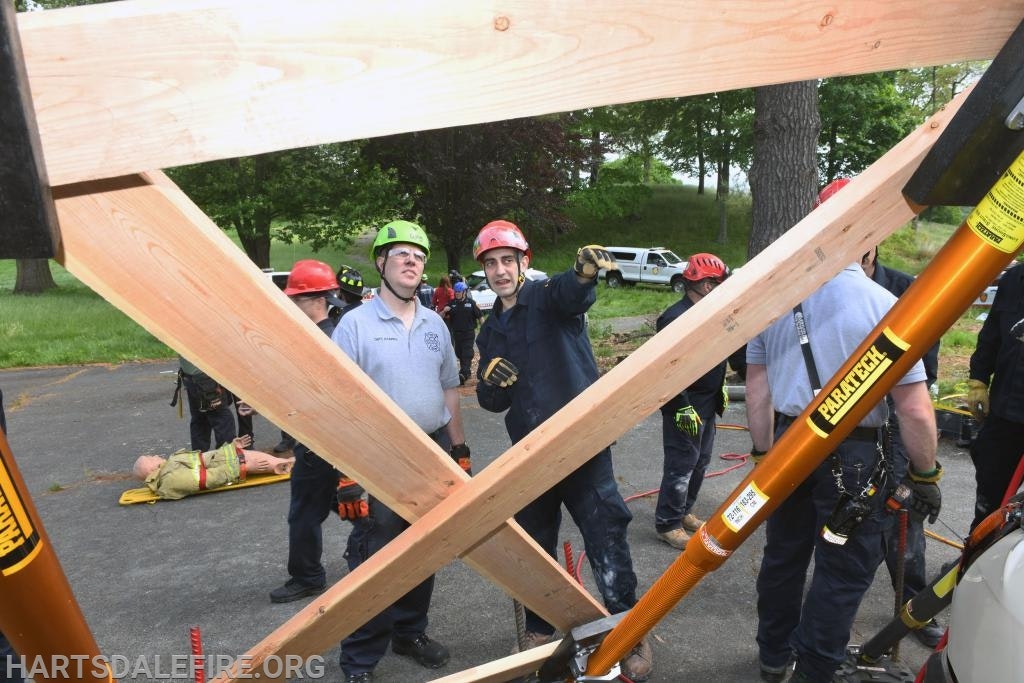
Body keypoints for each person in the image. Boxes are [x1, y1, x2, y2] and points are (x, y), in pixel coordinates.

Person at [472, 219, 652, 682]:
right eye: (491, 264)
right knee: (535, 547)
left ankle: (628, 630)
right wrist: (489, 383)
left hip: (580, 445)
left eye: (507, 261)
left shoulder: (548, 296)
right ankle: (537, 630)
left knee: (606, 534)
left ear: (523, 262)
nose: (499, 271)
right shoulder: (489, 331)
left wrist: (584, 274)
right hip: (530, 455)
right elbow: (492, 403)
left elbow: (574, 296)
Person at [746, 253, 941, 682]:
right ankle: (814, 670)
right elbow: (914, 410)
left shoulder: (777, 306)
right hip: (854, 455)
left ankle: (774, 656)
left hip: (787, 446)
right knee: (842, 569)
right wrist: (925, 474)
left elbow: (757, 391)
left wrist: (763, 456)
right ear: (867, 249)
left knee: (783, 555)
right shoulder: (886, 306)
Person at [331, 220, 468, 683]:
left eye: (419, 255)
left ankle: (409, 632)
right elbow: (340, 404)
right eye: (401, 253)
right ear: (381, 263)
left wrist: (460, 448)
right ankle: (360, 659)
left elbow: (449, 389)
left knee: (423, 548)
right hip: (378, 456)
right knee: (374, 555)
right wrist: (345, 473)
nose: (412, 261)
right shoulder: (355, 325)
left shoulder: (435, 323)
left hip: (430, 450)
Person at [859, 243, 945, 648]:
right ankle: (833, 605)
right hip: (845, 425)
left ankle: (913, 606)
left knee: (902, 511)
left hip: (896, 414)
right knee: (842, 515)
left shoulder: (903, 289)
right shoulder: (817, 289)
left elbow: (926, 353)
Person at [269, 260, 359, 604]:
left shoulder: (323, 341)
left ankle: (307, 576)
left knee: (304, 512)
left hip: (321, 442)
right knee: (340, 503)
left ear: (315, 299)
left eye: (296, 298)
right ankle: (376, 538)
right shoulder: (338, 331)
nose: (291, 304)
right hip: (328, 443)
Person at [653, 253, 732, 549]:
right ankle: (668, 523)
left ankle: (684, 510)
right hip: (684, 406)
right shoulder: (674, 318)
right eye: (717, 282)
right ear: (705, 285)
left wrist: (719, 385)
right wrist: (679, 404)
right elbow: (664, 369)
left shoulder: (709, 313)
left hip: (708, 401)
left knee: (700, 462)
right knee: (681, 465)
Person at [966, 260, 1024, 531]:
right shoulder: (1015, 278)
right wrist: (978, 378)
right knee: (990, 498)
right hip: (1005, 416)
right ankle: (975, 561)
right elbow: (991, 333)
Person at [132, 436, 294, 500]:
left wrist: (229, 448)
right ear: (151, 468)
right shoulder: (170, 480)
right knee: (248, 458)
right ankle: (281, 466)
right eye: (150, 458)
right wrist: (243, 467)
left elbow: (204, 459)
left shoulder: (170, 465)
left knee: (244, 454)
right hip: (228, 468)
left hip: (222, 460)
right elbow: (208, 479)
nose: (154, 456)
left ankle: (283, 463)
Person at [173, 356, 236, 452]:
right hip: (204, 377)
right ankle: (225, 457)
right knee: (222, 419)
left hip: (191, 375)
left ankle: (199, 458)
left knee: (200, 419)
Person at [442, 281, 483, 385]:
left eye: (459, 292)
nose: (457, 294)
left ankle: (463, 374)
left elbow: (480, 316)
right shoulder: (452, 304)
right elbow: (439, 317)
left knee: (467, 353)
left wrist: (485, 329)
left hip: (469, 333)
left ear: (464, 292)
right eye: (456, 292)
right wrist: (444, 311)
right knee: (459, 353)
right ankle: (467, 372)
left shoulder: (471, 303)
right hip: (456, 333)